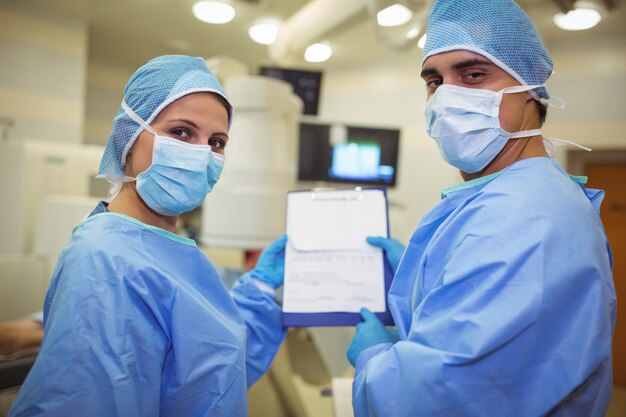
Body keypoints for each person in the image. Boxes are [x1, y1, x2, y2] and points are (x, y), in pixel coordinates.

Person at [349, 1, 616, 416]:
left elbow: (439, 399)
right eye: (435, 81)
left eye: (473, 74)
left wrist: (374, 360)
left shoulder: (522, 216)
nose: (448, 96)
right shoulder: (520, 195)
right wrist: (427, 280)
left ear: (530, 88)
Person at [8, 55, 287, 417]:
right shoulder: (106, 260)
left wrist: (261, 290)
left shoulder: (167, 249)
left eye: (217, 142)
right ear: (128, 136)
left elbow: (208, 374)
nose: (201, 154)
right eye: (181, 132)